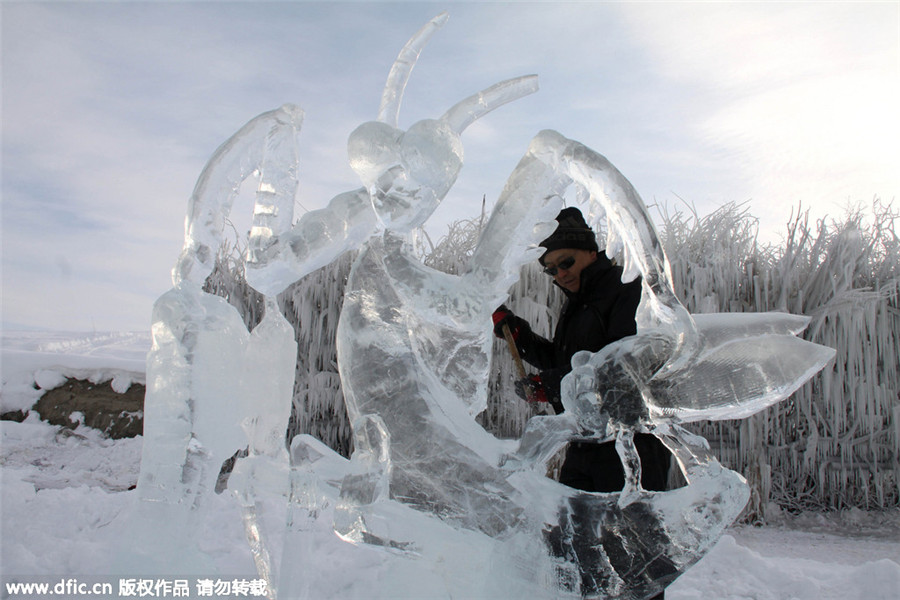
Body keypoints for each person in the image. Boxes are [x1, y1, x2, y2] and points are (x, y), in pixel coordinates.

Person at [492, 206, 671, 493]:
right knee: (568, 534)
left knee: (628, 535)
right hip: (585, 442)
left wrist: (552, 385)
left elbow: (621, 364)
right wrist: (516, 333)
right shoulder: (575, 305)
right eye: (551, 269)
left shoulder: (627, 289)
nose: (560, 274)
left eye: (566, 262)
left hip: (631, 446)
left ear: (590, 251)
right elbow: (561, 360)